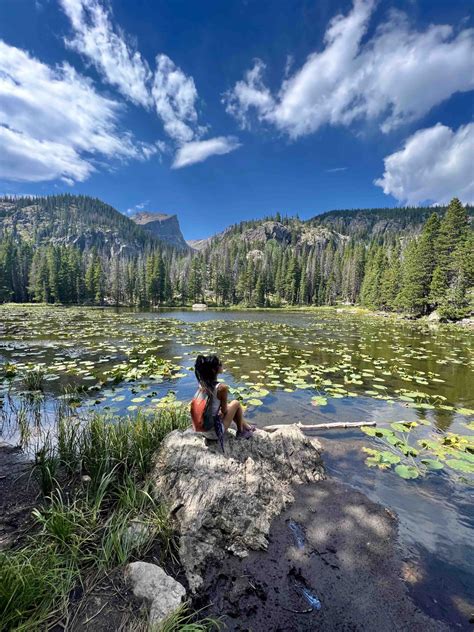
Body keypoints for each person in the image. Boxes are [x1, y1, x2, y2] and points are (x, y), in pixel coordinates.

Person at [193, 354, 256, 441]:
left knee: (230, 406)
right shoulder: (222, 388)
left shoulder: (202, 384)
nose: (222, 365)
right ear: (214, 370)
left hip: (202, 430)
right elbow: (224, 411)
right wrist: (223, 412)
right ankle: (241, 432)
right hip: (214, 433)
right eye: (220, 364)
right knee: (236, 403)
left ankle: (247, 427)